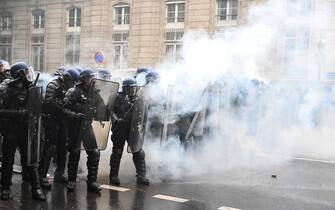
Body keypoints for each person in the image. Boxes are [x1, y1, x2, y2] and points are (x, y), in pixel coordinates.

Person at [0, 62, 46, 201]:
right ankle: (5, 188)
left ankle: (36, 188)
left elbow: (39, 108)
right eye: (25, 72)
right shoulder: (5, 89)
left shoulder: (32, 88)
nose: (28, 75)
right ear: (19, 75)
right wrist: (18, 113)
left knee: (31, 160)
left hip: (27, 129)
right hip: (11, 129)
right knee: (8, 160)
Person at [63, 68, 106, 193]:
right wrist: (75, 115)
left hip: (87, 126)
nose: (93, 80)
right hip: (75, 126)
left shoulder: (95, 93)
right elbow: (64, 109)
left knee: (94, 153)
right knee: (75, 153)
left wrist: (102, 116)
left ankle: (92, 181)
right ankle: (71, 181)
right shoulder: (73, 91)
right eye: (90, 77)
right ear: (83, 78)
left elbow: (101, 107)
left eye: (94, 77)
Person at [38, 68, 80, 189]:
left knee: (63, 146)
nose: (73, 84)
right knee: (50, 147)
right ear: (67, 79)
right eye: (72, 82)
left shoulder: (68, 87)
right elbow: (50, 102)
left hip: (63, 120)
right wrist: (64, 107)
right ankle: (42, 176)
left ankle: (59, 173)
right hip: (52, 119)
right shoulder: (53, 85)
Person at [109, 78, 150, 186]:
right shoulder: (117, 97)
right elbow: (110, 111)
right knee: (117, 152)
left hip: (133, 129)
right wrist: (116, 119)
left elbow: (144, 114)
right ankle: (113, 175)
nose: (133, 90)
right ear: (125, 88)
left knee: (138, 151)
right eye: (131, 88)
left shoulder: (139, 99)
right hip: (120, 128)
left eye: (134, 88)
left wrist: (141, 125)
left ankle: (141, 176)